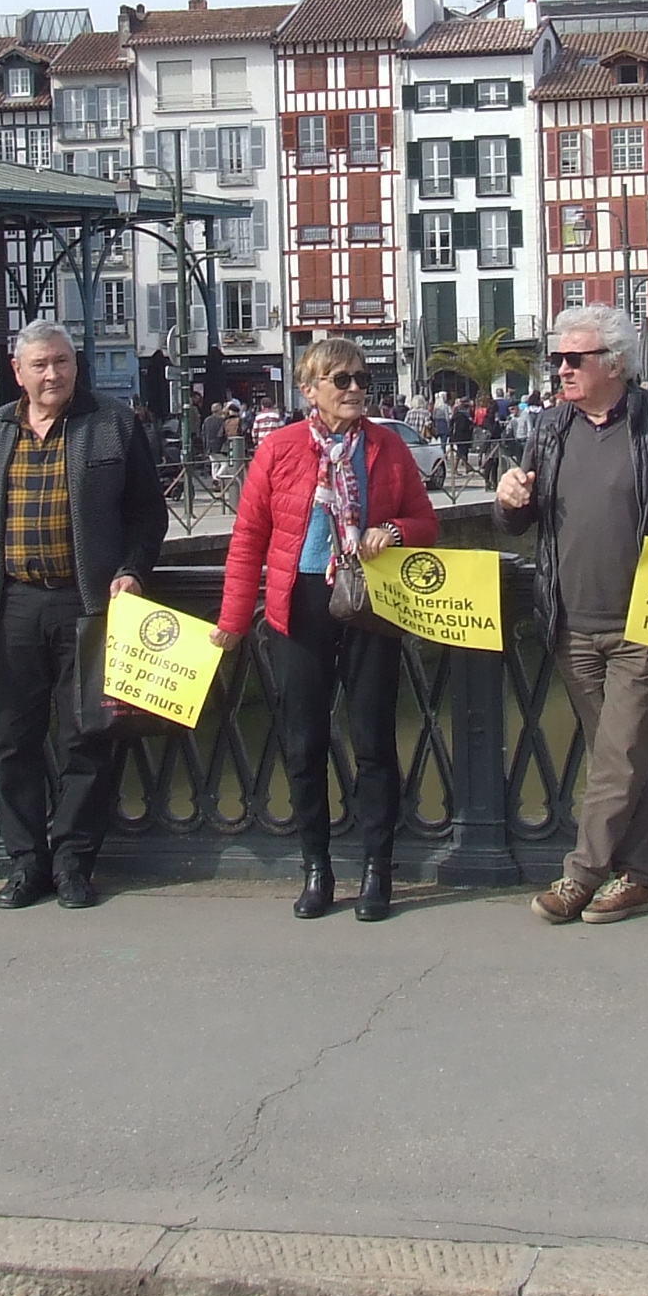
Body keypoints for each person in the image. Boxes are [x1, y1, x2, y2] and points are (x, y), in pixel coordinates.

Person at [493, 305, 648, 925]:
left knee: (619, 753)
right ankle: (638, 876)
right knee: (614, 755)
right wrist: (509, 500)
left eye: (576, 359)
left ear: (615, 364)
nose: (562, 370)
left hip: (643, 622)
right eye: (559, 359)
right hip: (568, 620)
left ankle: (581, 876)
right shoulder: (549, 428)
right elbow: (523, 520)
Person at [0, 321, 168, 912]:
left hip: (85, 603)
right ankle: (25, 863)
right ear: (18, 371)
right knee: (13, 739)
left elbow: (148, 514)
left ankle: (72, 861)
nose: (53, 375)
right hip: (15, 601)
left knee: (85, 737)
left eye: (63, 362)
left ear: (76, 365)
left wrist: (132, 570)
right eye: (40, 365)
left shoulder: (111, 423)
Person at [213, 337, 440, 922]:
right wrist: (234, 621)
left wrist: (392, 530)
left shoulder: (386, 448)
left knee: (372, 742)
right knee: (304, 742)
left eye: (362, 379)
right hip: (300, 603)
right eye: (341, 379)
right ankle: (316, 868)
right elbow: (247, 543)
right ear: (309, 389)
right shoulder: (279, 450)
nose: (356, 389)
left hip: (369, 603)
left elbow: (425, 522)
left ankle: (376, 871)